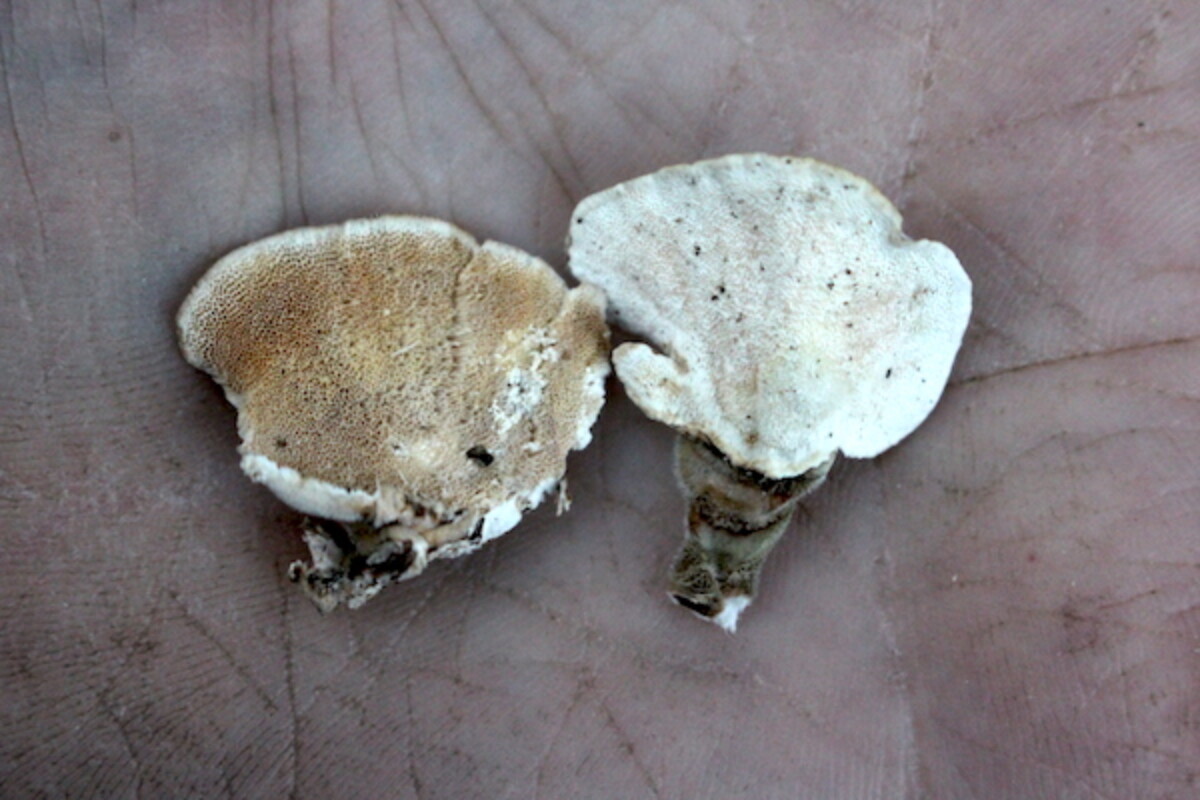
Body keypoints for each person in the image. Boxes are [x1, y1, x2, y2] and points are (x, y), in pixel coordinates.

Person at [3, 2, 1195, 797]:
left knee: (760, 440)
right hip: (459, 430)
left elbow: (630, 368)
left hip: (690, 407)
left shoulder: (794, 389)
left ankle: (720, 554)